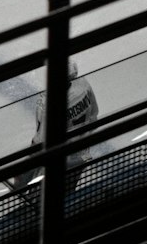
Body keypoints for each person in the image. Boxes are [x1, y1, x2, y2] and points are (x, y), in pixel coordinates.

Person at [15, 60, 100, 192]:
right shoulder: (84, 85)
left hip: (59, 160)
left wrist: (25, 172)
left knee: (44, 196)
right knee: (68, 192)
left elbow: (40, 141)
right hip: (82, 155)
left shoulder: (48, 104)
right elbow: (94, 115)